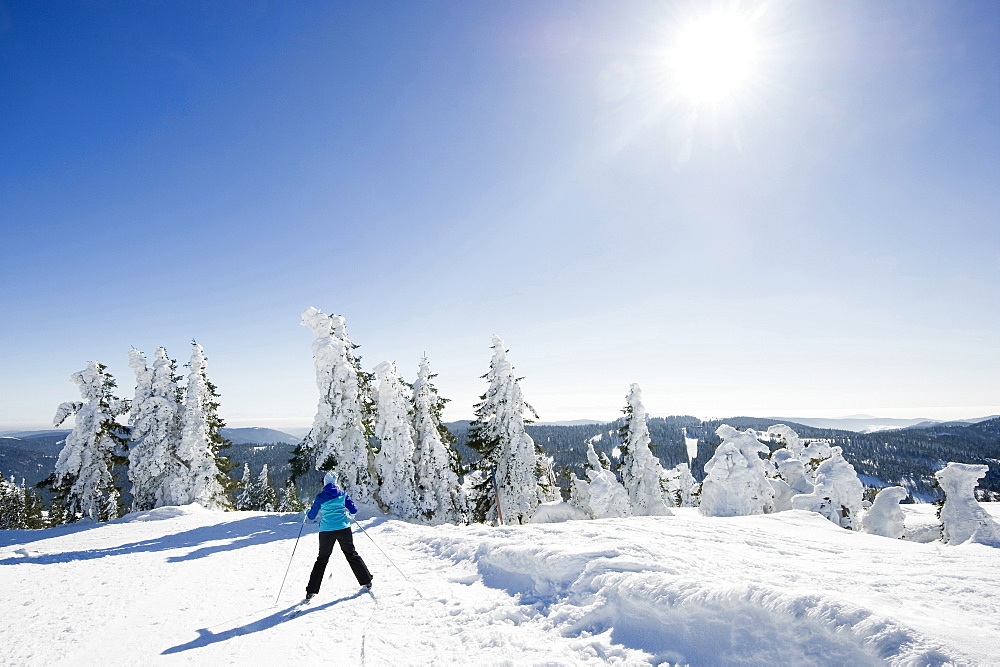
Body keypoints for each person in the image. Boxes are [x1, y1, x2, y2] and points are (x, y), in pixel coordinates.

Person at [304, 471, 373, 601]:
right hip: (343, 529)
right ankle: (366, 580)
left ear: (325, 484)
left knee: (322, 559)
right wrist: (350, 516)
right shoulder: (342, 494)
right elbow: (353, 510)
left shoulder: (320, 497)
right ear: (336, 483)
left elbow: (311, 516)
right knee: (351, 554)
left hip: (326, 531)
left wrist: (307, 512)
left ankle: (311, 591)